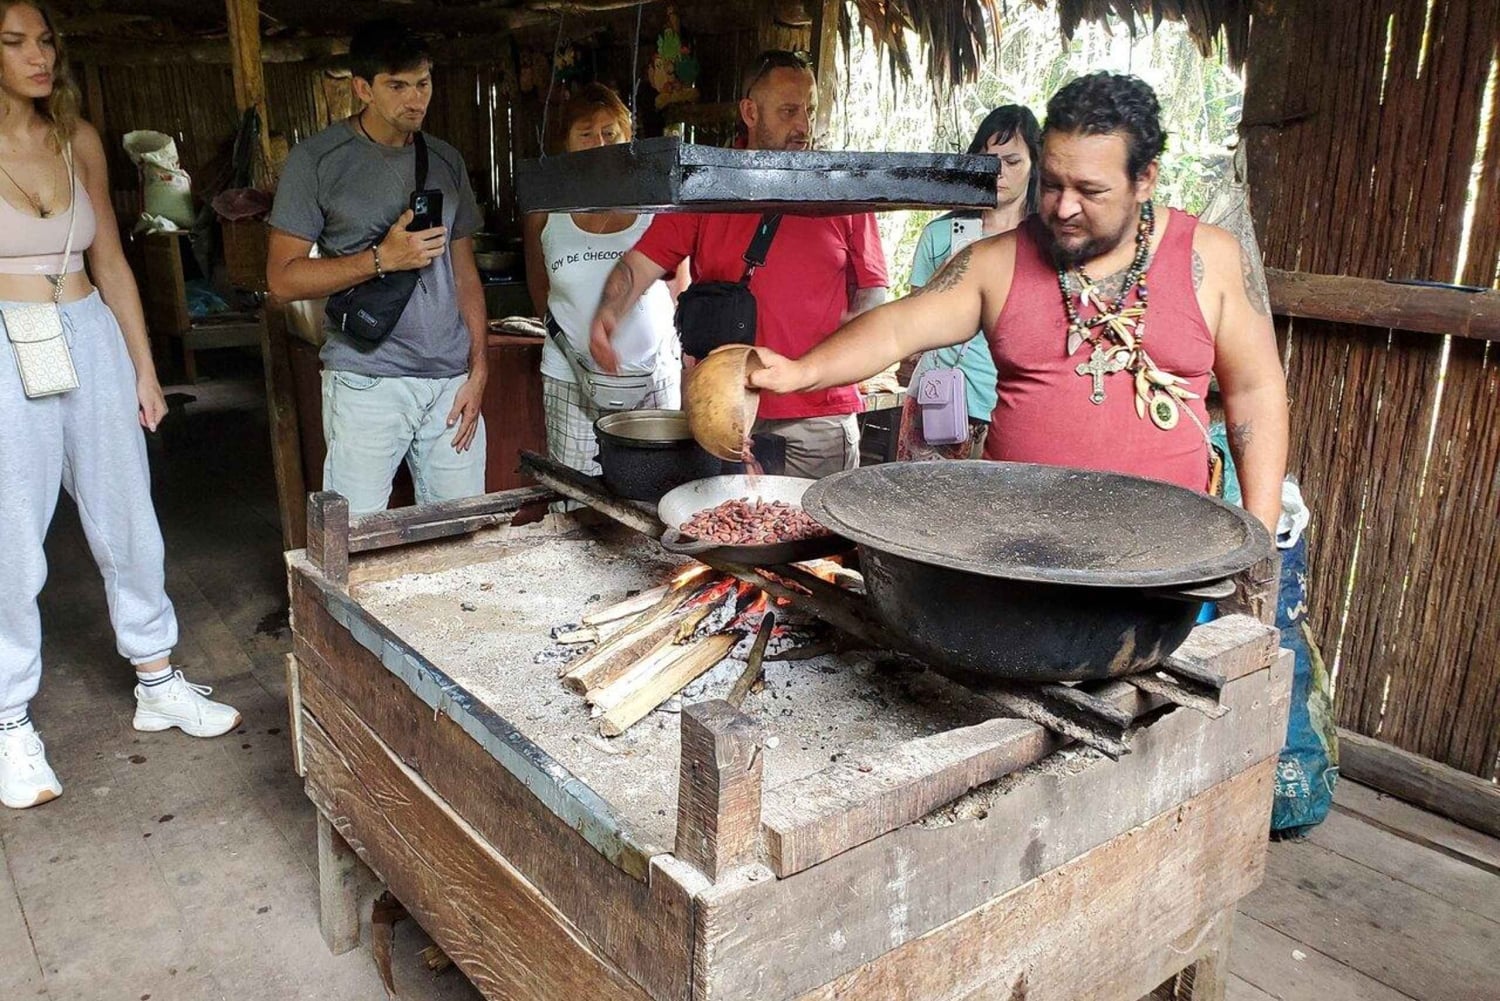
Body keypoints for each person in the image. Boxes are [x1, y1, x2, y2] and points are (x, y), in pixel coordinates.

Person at [750, 72, 1288, 532]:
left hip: (1162, 555)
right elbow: (897, 328)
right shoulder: (999, 261)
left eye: (1090, 190)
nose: (1064, 207)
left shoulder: (1211, 259)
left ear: (1144, 179)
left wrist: (1259, 536)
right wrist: (801, 372)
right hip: (1015, 547)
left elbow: (1256, 390)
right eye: (1052, 184)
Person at [0, 2, 240, 809]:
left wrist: (142, 365)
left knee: (126, 512)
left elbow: (110, 258)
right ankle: (7, 721)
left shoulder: (78, 138)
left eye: (45, 41)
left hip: (88, 330)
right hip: (6, 338)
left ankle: (157, 677)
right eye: (15, 42)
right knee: (11, 532)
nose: (39, 56)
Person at [589, 50, 889, 480]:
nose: (803, 125)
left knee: (818, 543)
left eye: (809, 109)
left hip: (816, 419)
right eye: (788, 111)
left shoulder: (844, 193)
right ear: (750, 111)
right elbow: (639, 265)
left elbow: (873, 294)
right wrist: (608, 312)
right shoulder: (707, 188)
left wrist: (845, 350)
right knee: (726, 533)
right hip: (720, 412)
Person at [267, 20, 487, 516]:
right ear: (362, 88)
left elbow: (465, 274)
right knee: (357, 534)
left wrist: (480, 369)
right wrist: (381, 259)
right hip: (366, 377)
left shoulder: (446, 161)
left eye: (423, 83)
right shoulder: (318, 161)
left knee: (463, 531)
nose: (415, 99)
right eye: (398, 85)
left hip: (451, 381)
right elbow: (282, 279)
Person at [522, 83, 683, 475]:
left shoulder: (656, 206)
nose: (600, 144)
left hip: (653, 378)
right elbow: (538, 288)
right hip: (570, 377)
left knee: (657, 486)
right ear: (566, 145)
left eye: (611, 133)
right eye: (586, 134)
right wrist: (576, 338)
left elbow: (681, 286)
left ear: (628, 139)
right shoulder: (546, 212)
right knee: (576, 492)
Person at [899, 105, 1040, 461]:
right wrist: (945, 280)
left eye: (1013, 161)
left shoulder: (1046, 243)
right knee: (918, 508)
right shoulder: (940, 234)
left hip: (1008, 406)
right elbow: (911, 326)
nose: (999, 172)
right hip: (938, 399)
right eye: (988, 160)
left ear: (1036, 165)